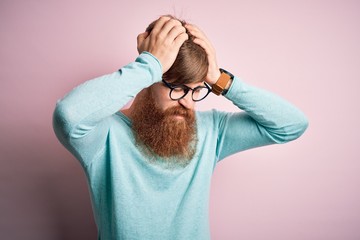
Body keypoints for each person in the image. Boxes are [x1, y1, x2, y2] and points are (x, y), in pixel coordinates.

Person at [53, 15, 308, 240]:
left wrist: (220, 80)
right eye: (177, 88)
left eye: (197, 90)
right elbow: (68, 116)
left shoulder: (211, 132)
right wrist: (149, 65)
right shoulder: (105, 135)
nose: (187, 102)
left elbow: (292, 125)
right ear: (149, 81)